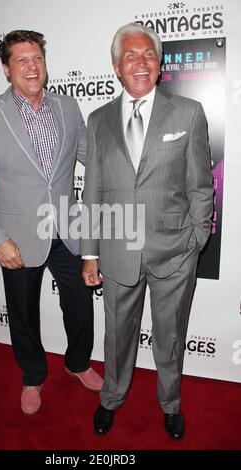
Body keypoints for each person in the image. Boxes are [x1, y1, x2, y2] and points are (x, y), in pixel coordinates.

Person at [0, 30, 103, 416]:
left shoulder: (68, 108)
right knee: (22, 312)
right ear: (7, 69)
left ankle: (77, 363)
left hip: (68, 232)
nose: (32, 66)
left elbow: (93, 159)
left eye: (37, 57)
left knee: (80, 305)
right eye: (21, 60)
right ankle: (33, 374)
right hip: (16, 238)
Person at [81, 23, 213, 440]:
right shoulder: (99, 119)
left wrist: (195, 241)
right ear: (116, 67)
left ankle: (170, 404)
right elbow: (94, 191)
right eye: (130, 56)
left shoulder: (188, 112)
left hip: (174, 250)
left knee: (170, 337)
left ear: (160, 64)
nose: (140, 62)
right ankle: (111, 399)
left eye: (148, 55)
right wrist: (89, 253)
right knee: (117, 336)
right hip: (118, 251)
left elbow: (200, 185)